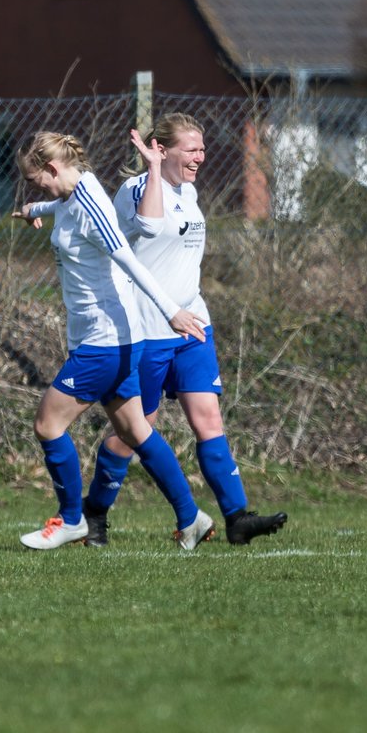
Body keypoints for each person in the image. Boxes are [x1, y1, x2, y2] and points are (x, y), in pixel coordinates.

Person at [78, 113, 288, 546]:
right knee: (134, 432)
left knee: (209, 419)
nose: (200, 157)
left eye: (202, 149)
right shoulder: (136, 189)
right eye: (190, 149)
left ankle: (236, 517)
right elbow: (151, 225)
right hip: (148, 330)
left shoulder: (188, 191)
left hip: (192, 324)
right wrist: (152, 169)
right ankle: (94, 512)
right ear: (162, 149)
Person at [9, 131, 215, 551]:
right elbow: (62, 202)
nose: (37, 187)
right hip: (113, 340)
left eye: (36, 181)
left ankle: (71, 520)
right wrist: (36, 207)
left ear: (52, 167)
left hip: (104, 343)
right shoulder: (71, 193)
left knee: (48, 425)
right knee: (138, 431)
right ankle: (191, 518)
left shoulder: (89, 202)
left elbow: (127, 258)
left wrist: (170, 312)